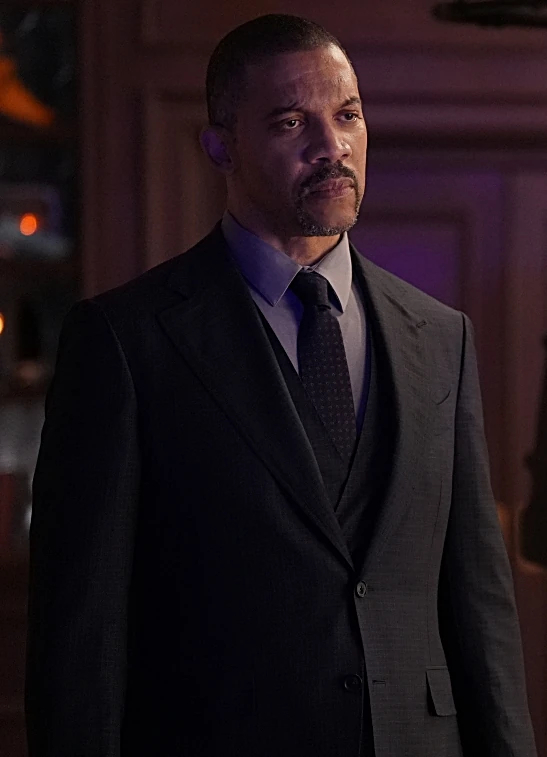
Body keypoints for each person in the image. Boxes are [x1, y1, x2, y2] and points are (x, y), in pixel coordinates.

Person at [25, 13, 537, 757]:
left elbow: (479, 603)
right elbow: (81, 631)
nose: (332, 146)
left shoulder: (440, 336)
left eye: (347, 115)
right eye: (291, 123)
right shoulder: (126, 341)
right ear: (219, 147)